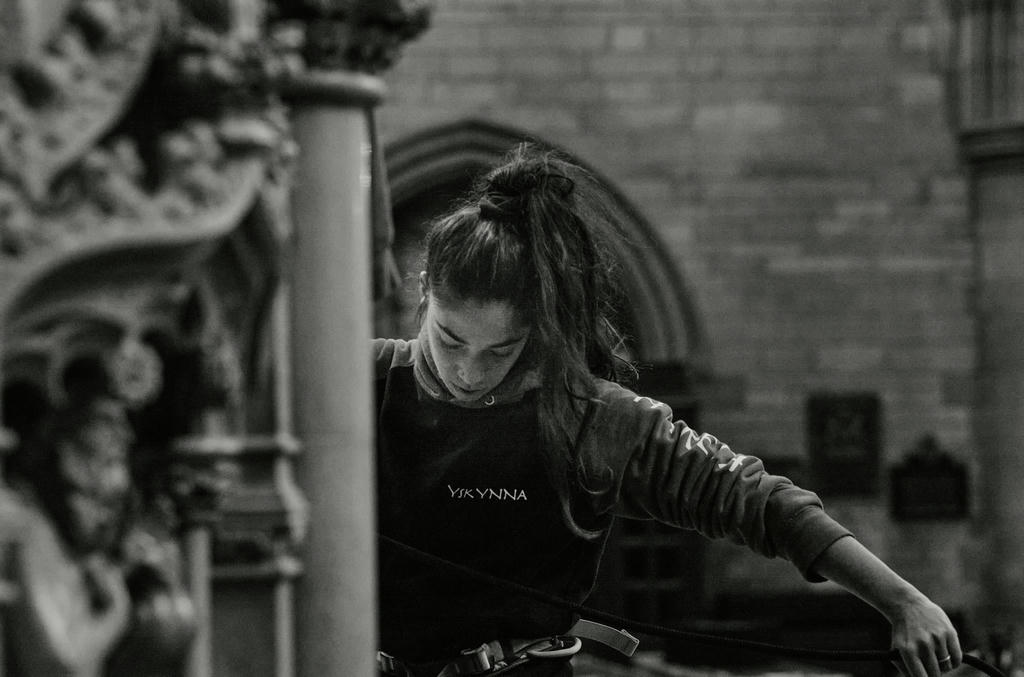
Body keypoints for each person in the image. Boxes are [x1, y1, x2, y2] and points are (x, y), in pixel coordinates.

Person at [373, 143, 962, 677]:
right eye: (450, 341)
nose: (469, 372)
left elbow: (762, 503)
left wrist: (903, 602)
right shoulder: (361, 383)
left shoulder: (590, 418)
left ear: (540, 331)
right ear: (423, 294)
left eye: (502, 349)